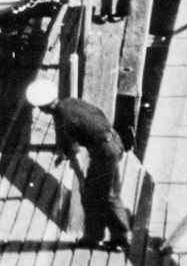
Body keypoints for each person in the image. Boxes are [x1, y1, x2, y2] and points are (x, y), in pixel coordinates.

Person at [26, 79, 132, 252]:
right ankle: (120, 235)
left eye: (39, 107)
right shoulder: (71, 102)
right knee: (109, 193)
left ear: (45, 107)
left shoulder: (62, 118)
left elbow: (75, 156)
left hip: (104, 153)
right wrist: (64, 152)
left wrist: (82, 179)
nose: (39, 110)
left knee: (92, 196)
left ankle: (98, 238)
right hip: (114, 141)